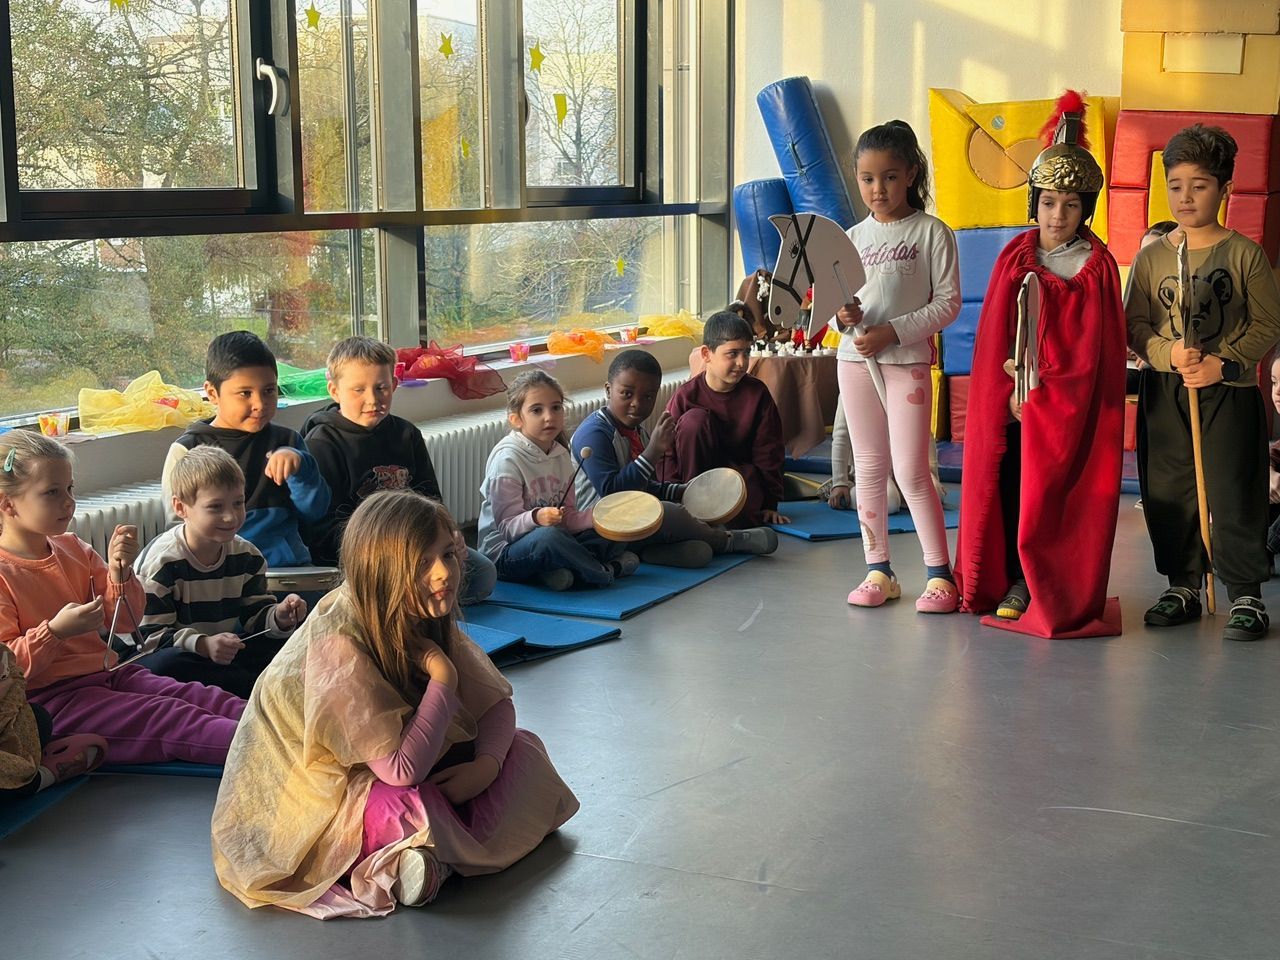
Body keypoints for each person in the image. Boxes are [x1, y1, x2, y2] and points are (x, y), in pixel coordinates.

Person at [211, 490, 579, 917]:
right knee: (400, 807)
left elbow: (496, 704)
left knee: (525, 750)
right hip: (325, 798)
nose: (444, 572)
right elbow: (403, 772)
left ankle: (430, 857)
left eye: (447, 554)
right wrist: (443, 677)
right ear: (382, 571)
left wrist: (485, 768)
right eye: (422, 563)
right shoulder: (337, 644)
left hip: (402, 766)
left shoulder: (418, 611)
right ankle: (434, 851)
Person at [956, 90, 1126, 638]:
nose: (1058, 215)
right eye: (1049, 202)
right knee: (1014, 485)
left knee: (1058, 495)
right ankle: (1016, 579)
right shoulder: (1017, 258)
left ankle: (1049, 582)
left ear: (1085, 209)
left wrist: (1055, 394)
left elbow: (1098, 352)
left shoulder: (1098, 267)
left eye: (1071, 205)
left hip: (1070, 410)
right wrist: (1010, 392)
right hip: (1017, 404)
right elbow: (996, 342)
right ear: (1035, 202)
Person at [0, 431, 241, 765]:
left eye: (69, 488)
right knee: (170, 716)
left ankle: (288, 726)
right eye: (52, 492)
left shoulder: (74, 548)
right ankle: (273, 748)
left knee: (200, 696)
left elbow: (127, 622)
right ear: (7, 504)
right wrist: (55, 632)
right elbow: (8, 675)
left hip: (109, 675)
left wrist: (120, 573)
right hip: (52, 700)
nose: (68, 502)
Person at [1127, 123, 1280, 641]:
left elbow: (1268, 323)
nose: (1185, 197)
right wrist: (1167, 353)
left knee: (1234, 488)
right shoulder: (1151, 257)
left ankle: (1246, 592)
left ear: (1225, 189)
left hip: (1227, 393)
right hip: (1166, 392)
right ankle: (1183, 584)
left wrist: (1225, 364)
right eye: (1175, 185)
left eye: (1199, 185)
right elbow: (1134, 324)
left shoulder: (1244, 254)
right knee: (1170, 489)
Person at [833, 120, 961, 613]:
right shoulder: (851, 238)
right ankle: (878, 570)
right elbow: (839, 307)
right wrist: (844, 317)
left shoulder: (932, 233)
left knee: (911, 469)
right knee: (868, 467)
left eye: (889, 177)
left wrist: (893, 331)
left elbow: (947, 304)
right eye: (867, 179)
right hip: (855, 362)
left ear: (910, 174)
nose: (878, 189)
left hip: (907, 363)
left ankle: (939, 575)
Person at [302, 336, 496, 603]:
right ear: (335, 391)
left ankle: (412, 600)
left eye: (381, 388)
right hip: (367, 556)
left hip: (419, 547)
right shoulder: (322, 444)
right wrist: (392, 552)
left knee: (483, 575)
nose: (372, 399)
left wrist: (449, 535)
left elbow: (431, 499)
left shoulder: (407, 434)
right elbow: (326, 533)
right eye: (358, 390)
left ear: (394, 385)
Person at [571, 349, 779, 567]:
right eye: (626, 393)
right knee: (670, 513)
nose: (636, 403)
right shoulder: (594, 434)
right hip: (597, 532)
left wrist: (681, 490)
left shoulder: (637, 432)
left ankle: (648, 551)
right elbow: (612, 493)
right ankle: (728, 541)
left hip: (632, 524)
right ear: (608, 390)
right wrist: (652, 452)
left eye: (647, 396)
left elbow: (642, 489)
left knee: (699, 550)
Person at [136, 447, 307, 699]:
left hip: (219, 652)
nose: (230, 517)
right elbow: (149, 638)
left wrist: (280, 616)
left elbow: (255, 617)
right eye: (215, 507)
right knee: (166, 665)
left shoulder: (247, 555)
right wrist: (203, 644)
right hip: (171, 655)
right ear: (181, 508)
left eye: (238, 503)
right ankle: (244, 689)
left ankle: (239, 688)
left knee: (292, 644)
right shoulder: (162, 563)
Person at [163, 330, 330, 568]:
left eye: (269, 391)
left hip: (286, 572)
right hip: (220, 576)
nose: (260, 404)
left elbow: (315, 512)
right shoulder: (187, 450)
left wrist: (301, 470)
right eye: (245, 393)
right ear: (212, 393)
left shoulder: (289, 442)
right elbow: (177, 530)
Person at [479, 370, 633, 590]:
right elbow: (507, 528)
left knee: (609, 530)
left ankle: (557, 572)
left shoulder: (560, 454)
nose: (549, 417)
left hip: (552, 540)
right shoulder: (506, 460)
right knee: (548, 538)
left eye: (556, 407)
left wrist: (598, 517)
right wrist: (537, 517)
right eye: (536, 410)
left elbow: (566, 518)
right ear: (516, 419)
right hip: (505, 554)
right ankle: (605, 572)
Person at [657, 312, 789, 527]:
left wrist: (770, 503)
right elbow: (666, 452)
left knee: (743, 516)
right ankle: (692, 510)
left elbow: (769, 450)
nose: (741, 362)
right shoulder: (686, 395)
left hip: (737, 478)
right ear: (706, 354)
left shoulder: (757, 393)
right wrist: (672, 497)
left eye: (746, 353)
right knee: (694, 421)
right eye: (732, 354)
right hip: (693, 483)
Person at [1, 644, 108, 800]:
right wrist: (51, 634)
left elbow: (14, 675)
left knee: (39, 718)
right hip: (59, 691)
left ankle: (25, 771)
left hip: (100, 673)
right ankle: (38, 779)